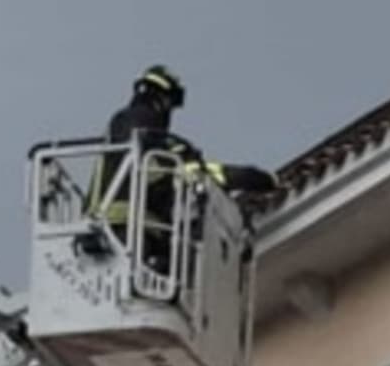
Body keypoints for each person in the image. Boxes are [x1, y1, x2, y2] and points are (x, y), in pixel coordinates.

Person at [86, 65, 278, 280]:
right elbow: (171, 170)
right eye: (171, 102)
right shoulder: (136, 123)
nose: (170, 111)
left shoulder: (139, 131)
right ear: (160, 97)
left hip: (137, 227)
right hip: (120, 227)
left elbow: (181, 173)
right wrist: (248, 177)